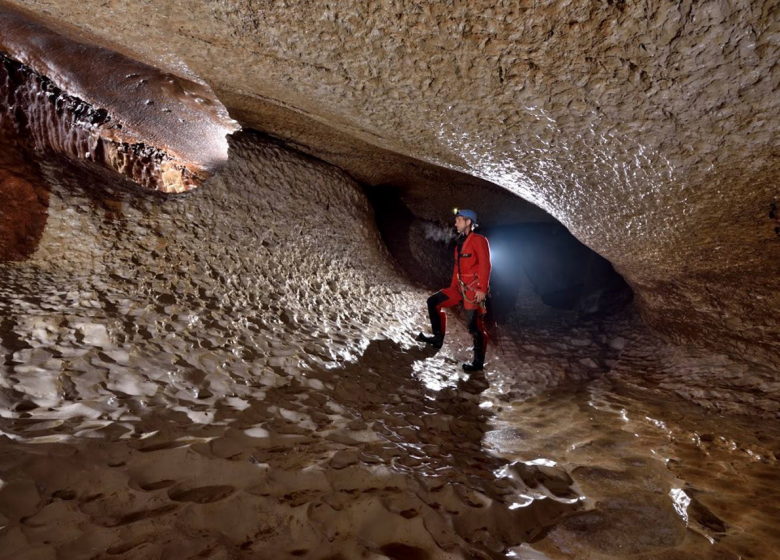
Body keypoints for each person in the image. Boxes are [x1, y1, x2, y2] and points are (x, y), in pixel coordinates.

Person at [417, 208, 491, 371]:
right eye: (456, 220)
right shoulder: (459, 244)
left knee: (474, 327)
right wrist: (452, 287)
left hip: (473, 289)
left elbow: (485, 265)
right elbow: (457, 269)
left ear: (468, 222)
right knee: (433, 301)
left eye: (459, 220)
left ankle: (478, 363)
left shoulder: (479, 240)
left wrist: (482, 289)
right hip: (458, 287)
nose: (456, 223)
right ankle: (437, 338)